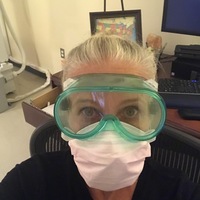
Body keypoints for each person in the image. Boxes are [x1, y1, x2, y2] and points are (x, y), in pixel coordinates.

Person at [0, 33, 199, 200]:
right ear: (68, 118)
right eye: (89, 111)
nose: (110, 136)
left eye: (130, 111)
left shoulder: (180, 193)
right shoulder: (28, 184)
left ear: (152, 117)